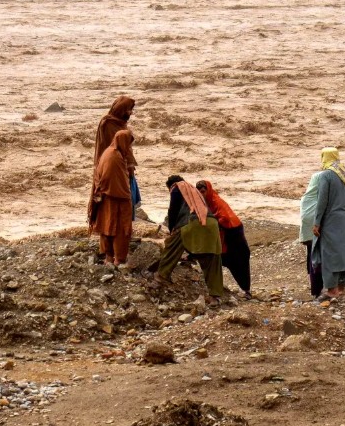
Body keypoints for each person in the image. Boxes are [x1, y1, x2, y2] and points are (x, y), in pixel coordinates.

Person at [153, 175, 225, 306]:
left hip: (191, 222)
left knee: (172, 246)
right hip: (211, 224)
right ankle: (215, 296)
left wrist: (172, 229)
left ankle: (161, 277)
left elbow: (173, 210)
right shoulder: (194, 190)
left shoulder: (177, 187)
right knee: (212, 258)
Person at [313, 147, 345, 300]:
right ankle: (342, 287)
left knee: (329, 255)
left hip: (330, 221)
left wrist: (317, 222)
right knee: (344, 253)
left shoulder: (326, 175)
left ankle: (332, 290)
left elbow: (322, 201)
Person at [197, 179, 251, 299]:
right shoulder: (206, 203)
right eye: (199, 192)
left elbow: (225, 217)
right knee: (221, 258)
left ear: (208, 191)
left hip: (233, 231)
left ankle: (246, 290)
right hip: (224, 233)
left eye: (203, 191)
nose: (201, 194)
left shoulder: (217, 201)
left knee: (239, 260)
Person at [89, 130, 134, 267]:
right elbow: (114, 181)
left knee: (107, 228)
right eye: (128, 143)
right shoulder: (114, 158)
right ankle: (119, 259)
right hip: (117, 200)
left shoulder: (109, 153)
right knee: (121, 230)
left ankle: (109, 257)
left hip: (106, 199)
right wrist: (127, 197)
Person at [93, 96, 141, 217]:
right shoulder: (108, 124)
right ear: (122, 109)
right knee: (117, 199)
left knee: (129, 198)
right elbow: (113, 147)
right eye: (129, 110)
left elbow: (126, 147)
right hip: (114, 167)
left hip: (124, 166)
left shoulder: (121, 123)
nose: (131, 113)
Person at [298, 170, 324, 299]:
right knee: (318, 257)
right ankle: (317, 289)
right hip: (317, 231)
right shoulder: (321, 198)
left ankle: (314, 287)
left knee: (310, 255)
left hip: (308, 232)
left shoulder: (307, 197)